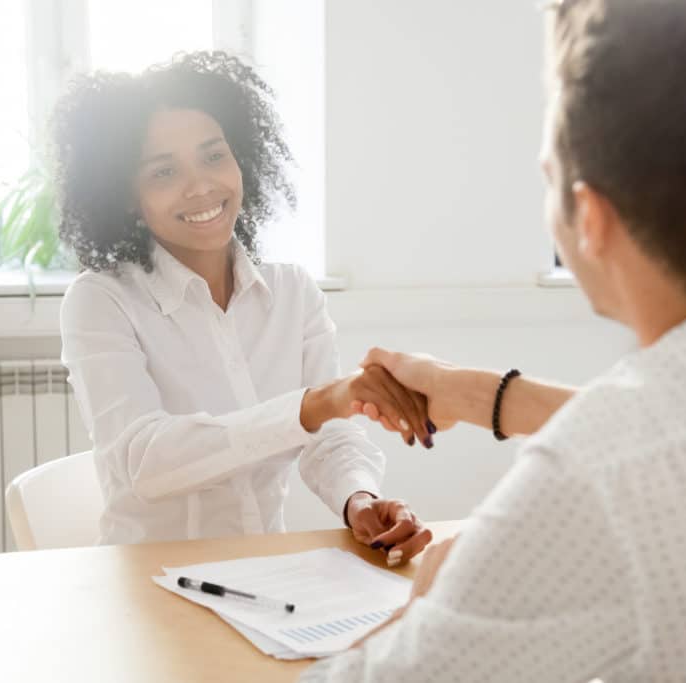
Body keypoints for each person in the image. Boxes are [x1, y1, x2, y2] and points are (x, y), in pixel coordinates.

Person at [301, 0, 686, 680]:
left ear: (590, 218)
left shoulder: (588, 483)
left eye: (548, 180)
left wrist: (429, 604)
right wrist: (477, 395)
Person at [55, 52, 432, 565]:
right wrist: (309, 407)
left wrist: (359, 498)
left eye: (214, 157)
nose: (200, 186)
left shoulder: (293, 292)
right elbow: (145, 460)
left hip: (264, 574)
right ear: (126, 196)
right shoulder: (101, 301)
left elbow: (332, 437)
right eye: (164, 172)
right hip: (147, 581)